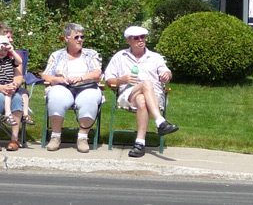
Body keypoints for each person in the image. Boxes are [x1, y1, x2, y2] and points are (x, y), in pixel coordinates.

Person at [103, 25, 178, 158]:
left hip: (154, 97)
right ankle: (160, 122)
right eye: (136, 38)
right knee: (146, 84)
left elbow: (167, 72)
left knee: (142, 99)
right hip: (128, 94)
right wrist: (121, 80)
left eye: (143, 37)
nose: (141, 40)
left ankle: (139, 144)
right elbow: (108, 80)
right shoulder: (120, 56)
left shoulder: (155, 57)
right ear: (128, 41)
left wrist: (166, 75)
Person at [41, 23, 103, 153]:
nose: (80, 39)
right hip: (63, 86)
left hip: (86, 86)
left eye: (82, 37)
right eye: (77, 37)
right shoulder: (57, 55)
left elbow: (97, 73)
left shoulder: (91, 54)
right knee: (56, 96)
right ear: (66, 38)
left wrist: (80, 78)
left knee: (91, 97)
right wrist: (58, 79)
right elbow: (45, 75)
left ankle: (82, 138)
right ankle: (55, 137)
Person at [0, 23, 34, 126]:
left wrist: (14, 85)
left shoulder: (11, 58)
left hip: (11, 86)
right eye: (7, 37)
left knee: (20, 96)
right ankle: (8, 114)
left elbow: (19, 73)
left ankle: (14, 139)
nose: (11, 40)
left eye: (11, 37)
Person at [0, 35, 24, 150]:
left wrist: (12, 51)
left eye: (5, 50)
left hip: (10, 88)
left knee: (18, 98)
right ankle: (8, 114)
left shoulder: (10, 60)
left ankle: (14, 139)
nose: (2, 52)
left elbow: (19, 62)